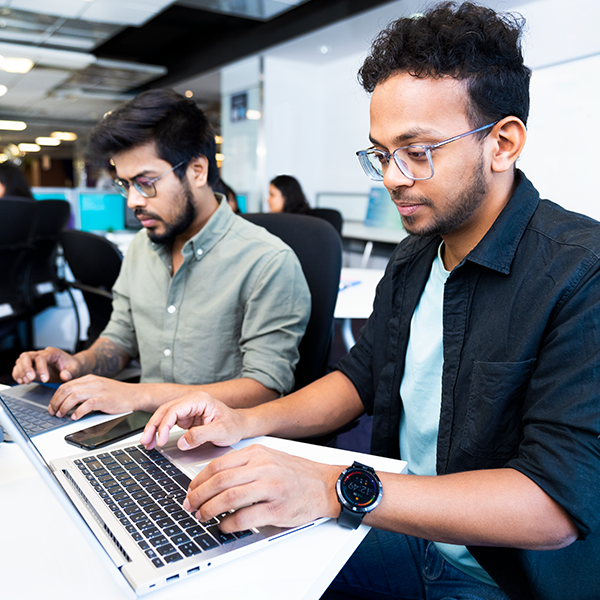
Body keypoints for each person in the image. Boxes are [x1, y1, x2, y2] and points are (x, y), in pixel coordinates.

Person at [139, 3, 600, 599]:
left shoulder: (580, 273)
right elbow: (363, 377)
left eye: (417, 150)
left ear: (503, 143)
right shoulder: (415, 257)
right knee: (204, 568)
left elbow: (553, 507)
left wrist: (333, 487)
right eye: (381, 153)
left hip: (498, 577)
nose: (392, 178)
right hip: (401, 526)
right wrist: (245, 422)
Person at [12, 89, 311, 420]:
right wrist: (75, 364)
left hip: (221, 444)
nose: (133, 202)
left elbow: (264, 389)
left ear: (197, 170)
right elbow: (121, 338)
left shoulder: (266, 261)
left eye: (146, 182)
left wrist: (136, 395)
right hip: (144, 433)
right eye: (126, 185)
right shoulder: (143, 246)